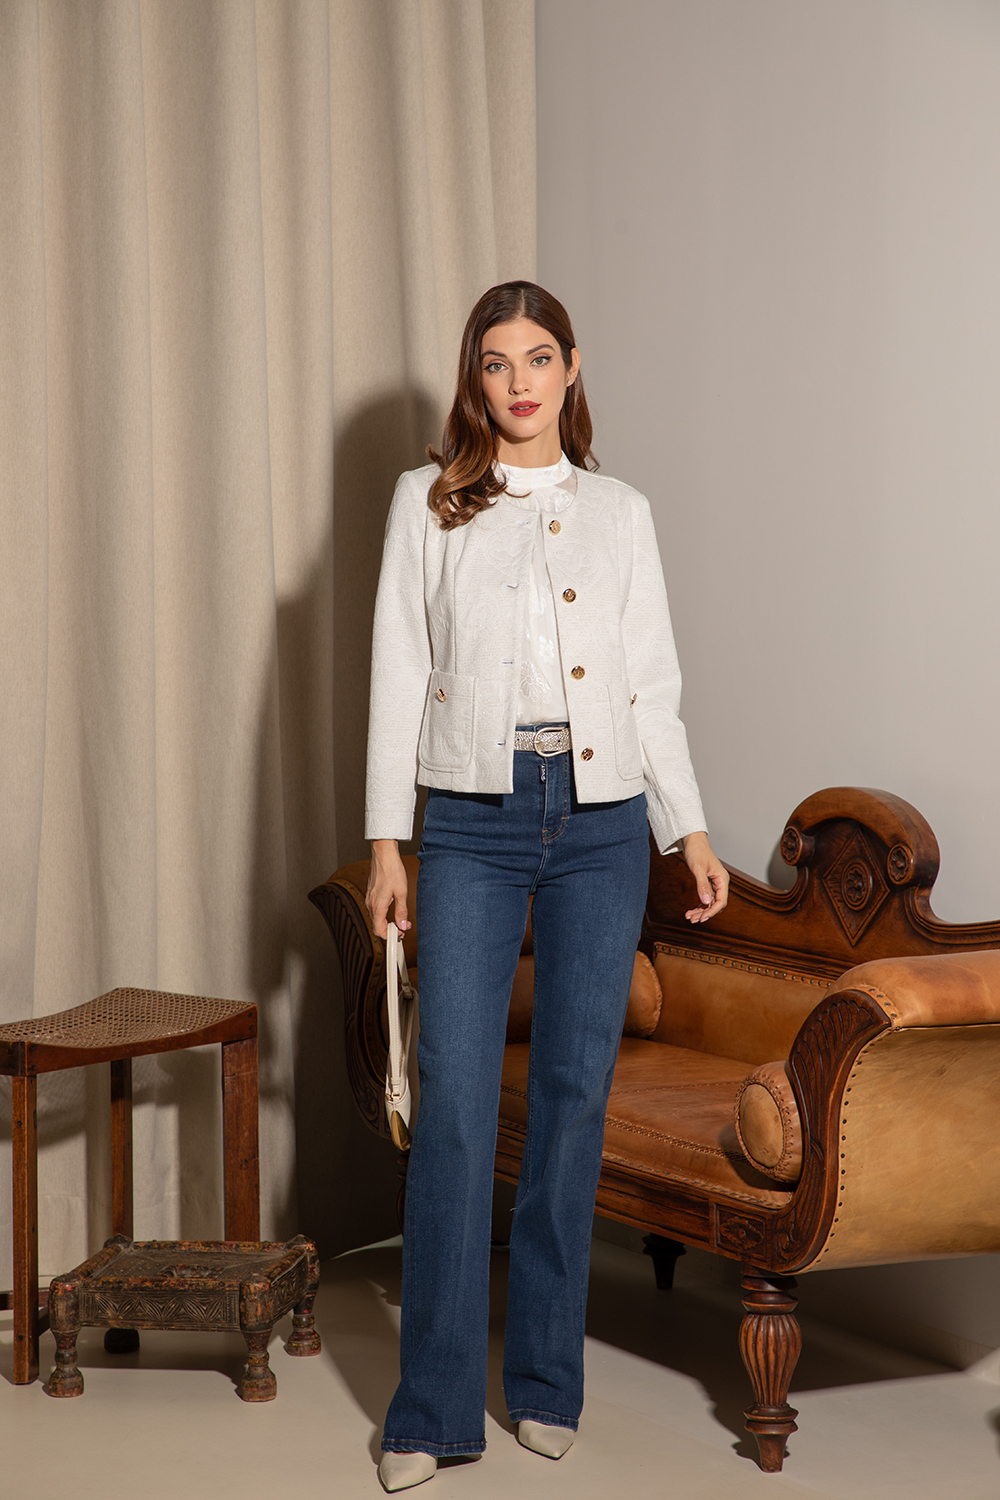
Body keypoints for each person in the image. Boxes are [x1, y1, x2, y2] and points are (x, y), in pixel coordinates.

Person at [364, 281, 728, 1492]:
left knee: (572, 1103)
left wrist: (686, 828)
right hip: (468, 821)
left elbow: (651, 685)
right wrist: (386, 843)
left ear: (571, 368)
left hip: (604, 823)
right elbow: (397, 668)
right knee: (457, 1110)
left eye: (536, 358)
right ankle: (429, 1410)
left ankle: (544, 1384)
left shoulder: (620, 513)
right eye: (493, 362)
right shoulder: (426, 501)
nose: (517, 382)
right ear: (473, 380)